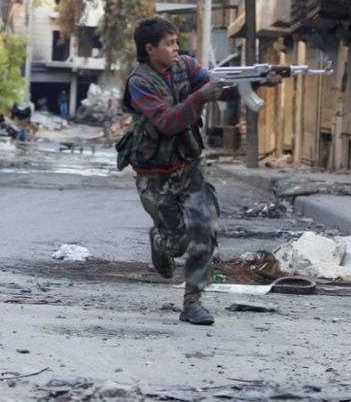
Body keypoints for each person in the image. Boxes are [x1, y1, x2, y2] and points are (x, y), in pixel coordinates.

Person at [116, 17, 280, 326]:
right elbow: (166, 122)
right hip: (155, 174)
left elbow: (222, 90)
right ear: (150, 49)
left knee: (205, 224)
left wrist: (256, 80)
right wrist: (201, 96)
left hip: (188, 166)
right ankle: (160, 242)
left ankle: (193, 302)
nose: (176, 48)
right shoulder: (140, 82)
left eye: (176, 42)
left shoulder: (187, 67)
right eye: (169, 44)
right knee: (177, 243)